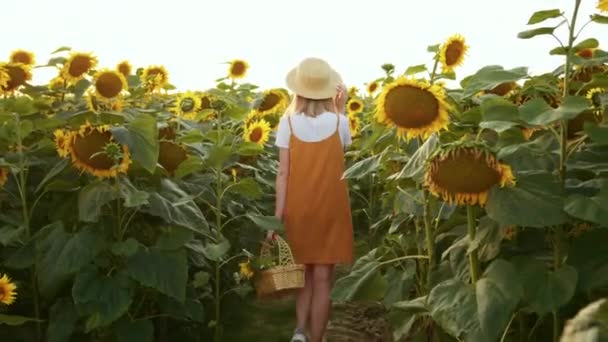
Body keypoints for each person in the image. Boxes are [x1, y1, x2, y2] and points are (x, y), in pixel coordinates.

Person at [270, 57, 355, 342]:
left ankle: (298, 332)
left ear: (299, 89)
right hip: (331, 208)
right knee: (323, 279)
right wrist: (340, 109)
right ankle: (316, 339)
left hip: (299, 207)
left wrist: (277, 217)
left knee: (302, 273)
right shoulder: (340, 122)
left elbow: (283, 174)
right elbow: (344, 148)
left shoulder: (288, 123)